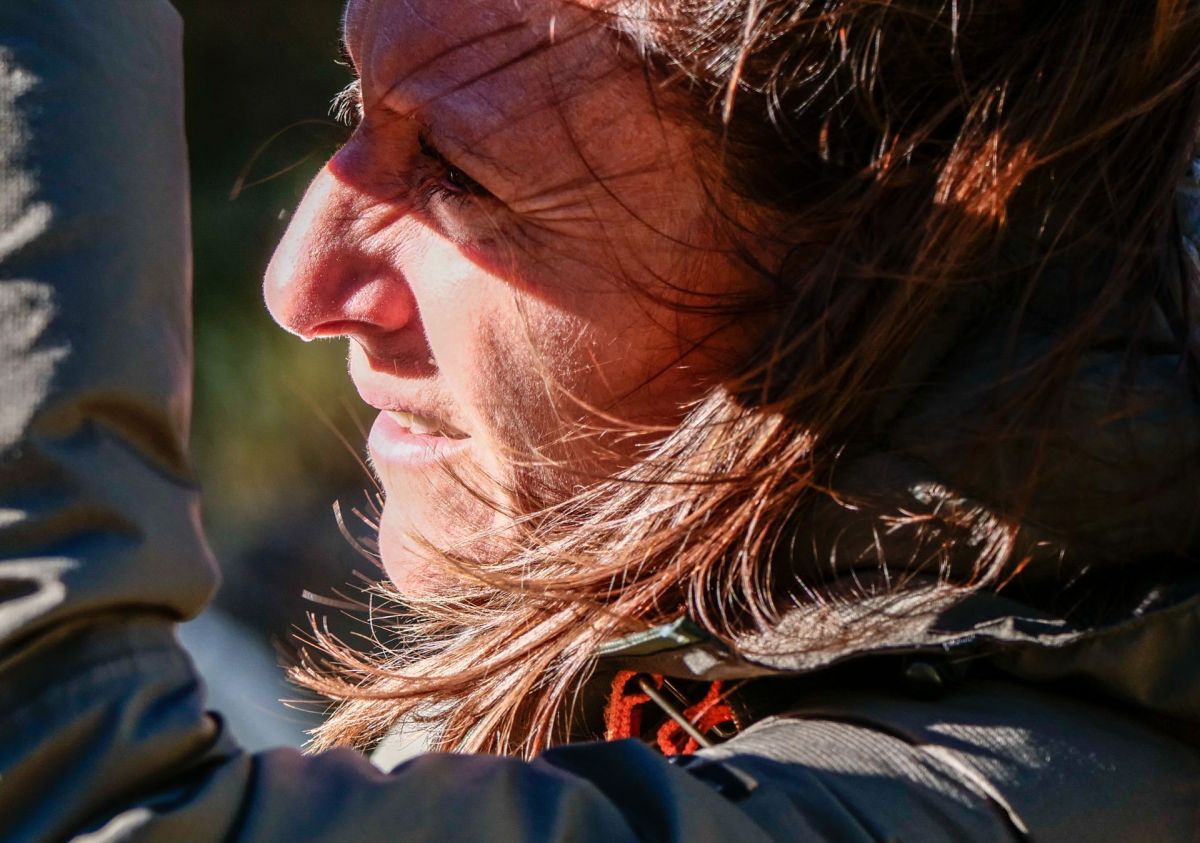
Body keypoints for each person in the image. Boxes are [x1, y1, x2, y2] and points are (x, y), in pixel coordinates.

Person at [1, 0, 1198, 840]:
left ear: (863, 283)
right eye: (352, 106)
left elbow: (84, 811)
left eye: (460, 174)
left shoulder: (1024, 803)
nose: (300, 284)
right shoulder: (677, 632)